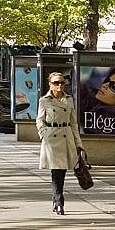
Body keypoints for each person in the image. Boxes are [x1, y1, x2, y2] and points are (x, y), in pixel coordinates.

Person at [36, 71, 84, 215]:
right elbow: (40, 120)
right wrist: (43, 133)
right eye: (56, 83)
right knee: (56, 170)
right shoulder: (44, 100)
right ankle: (59, 201)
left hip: (66, 136)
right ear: (50, 84)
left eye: (62, 82)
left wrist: (79, 143)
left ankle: (56, 200)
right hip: (51, 137)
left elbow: (74, 123)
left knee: (61, 171)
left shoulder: (69, 100)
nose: (60, 85)